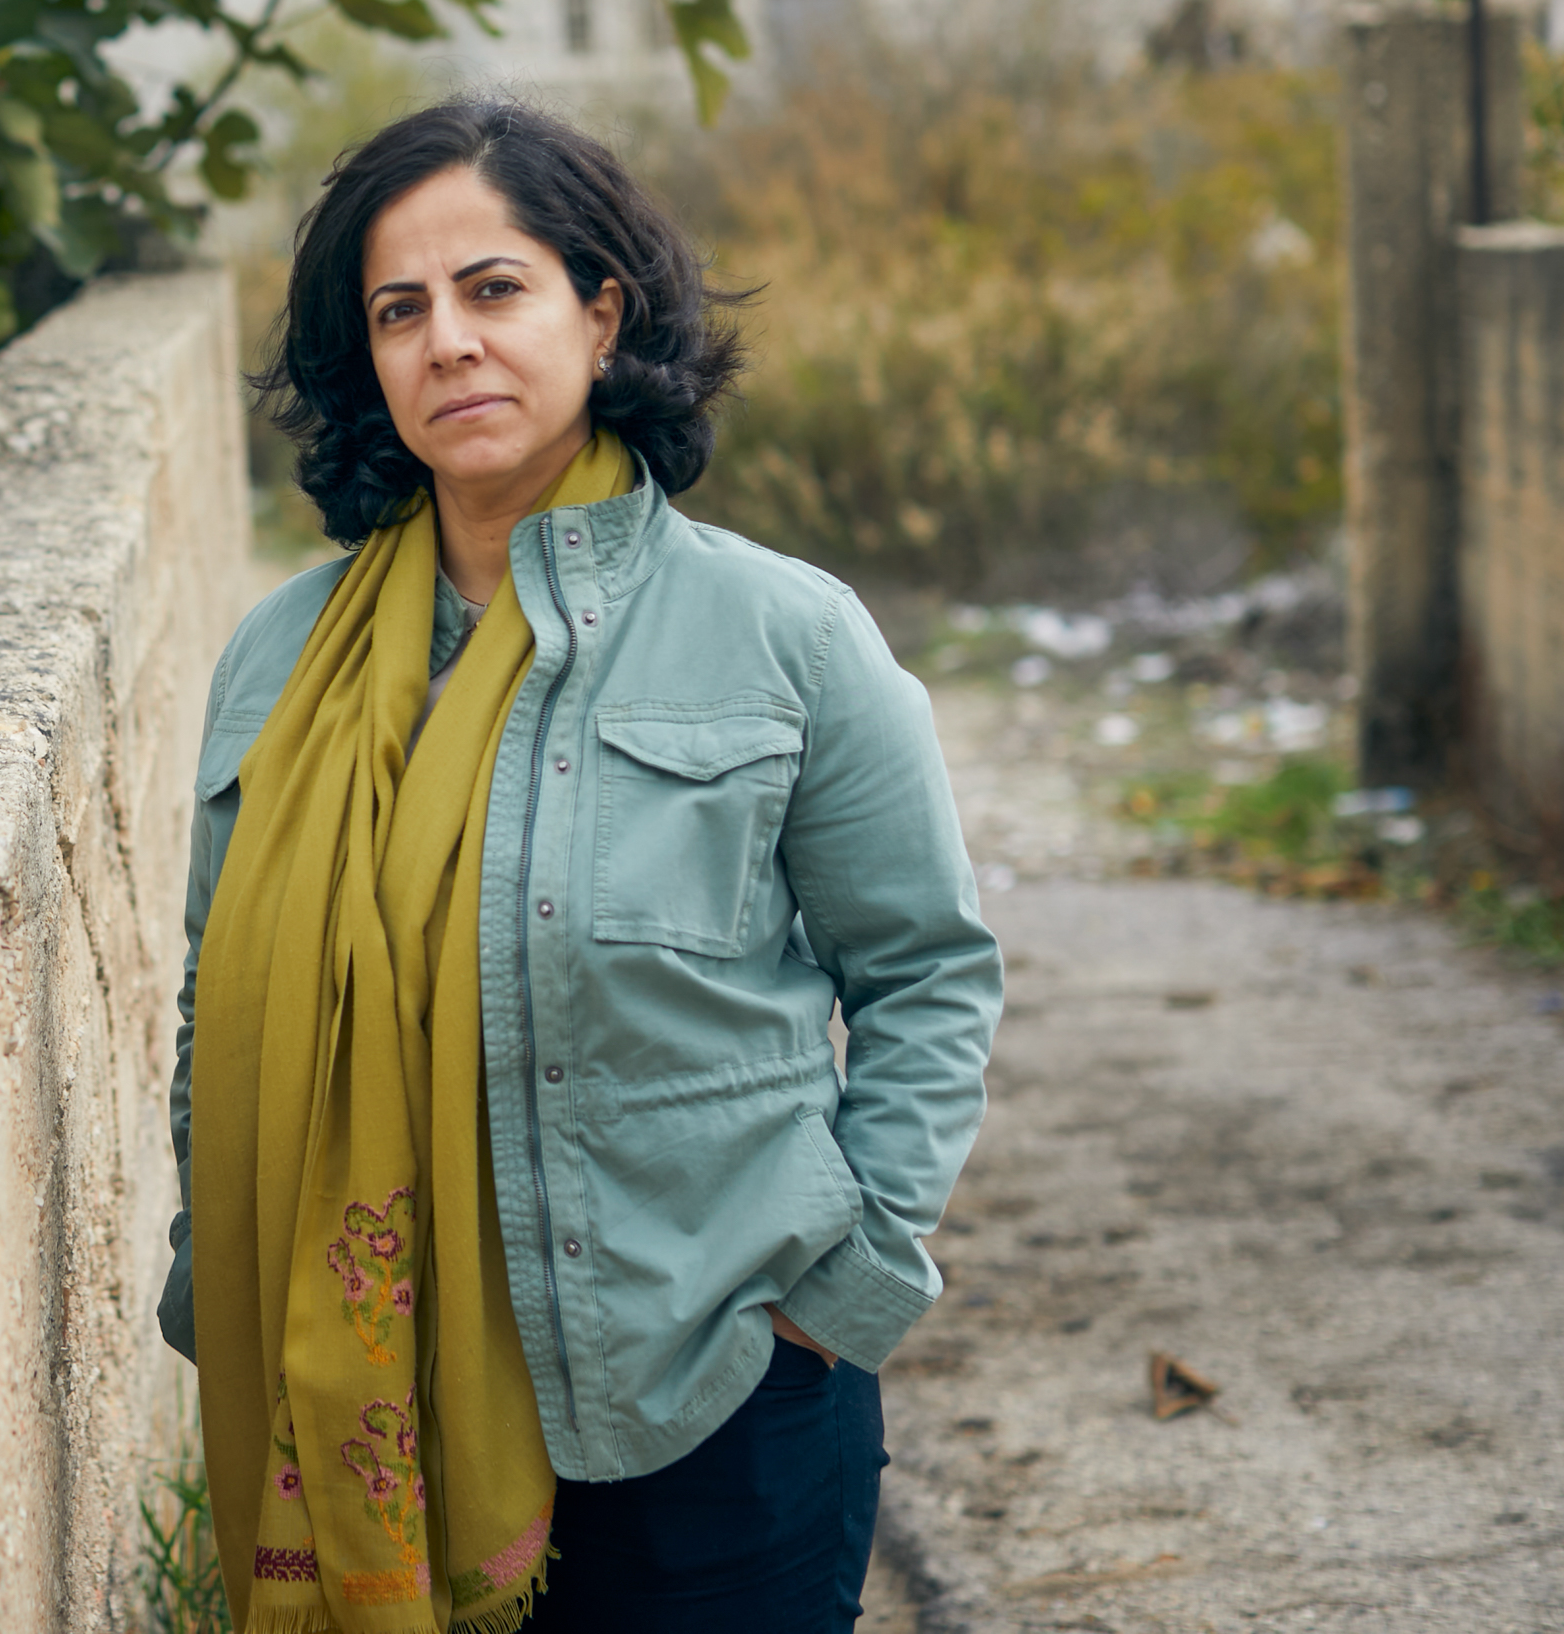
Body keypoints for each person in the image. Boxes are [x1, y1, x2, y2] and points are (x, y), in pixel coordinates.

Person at [158, 96, 1002, 1633]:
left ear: (601, 313)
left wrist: (845, 1296)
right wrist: (217, 1279)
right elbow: (224, 1005)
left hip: (721, 1398)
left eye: (495, 289)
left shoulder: (782, 633)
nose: (450, 343)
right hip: (370, 1412)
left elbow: (927, 971)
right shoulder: (282, 663)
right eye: (400, 310)